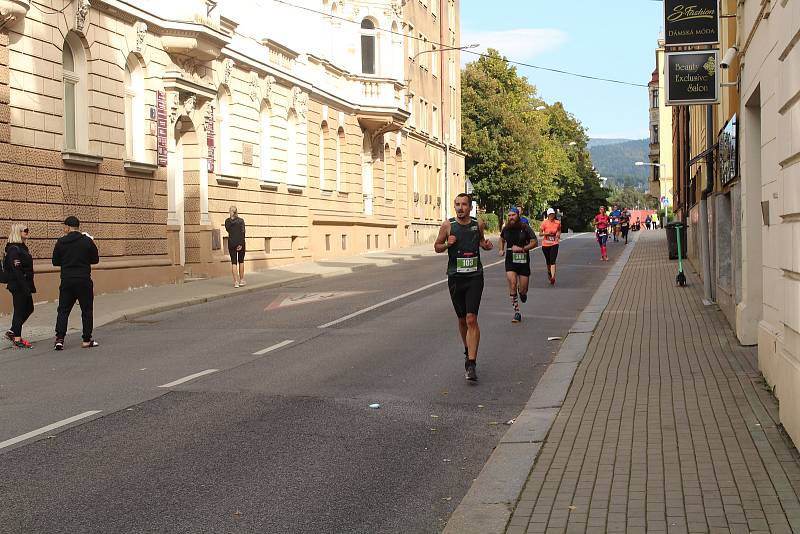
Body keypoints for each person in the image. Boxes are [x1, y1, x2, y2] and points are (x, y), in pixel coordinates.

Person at [434, 193, 494, 381]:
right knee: (461, 320)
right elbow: (437, 246)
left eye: (464, 205)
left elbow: (482, 241)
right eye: (457, 204)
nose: (460, 208)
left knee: (471, 318)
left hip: (475, 276)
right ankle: (468, 349)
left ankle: (472, 363)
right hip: (455, 278)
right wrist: (446, 245)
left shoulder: (478, 224)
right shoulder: (448, 225)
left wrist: (486, 245)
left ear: (470, 207)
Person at [53, 216, 100, 350]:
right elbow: (95, 259)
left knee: (63, 310)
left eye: (64, 226)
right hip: (83, 280)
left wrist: (67, 260)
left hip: (67, 280)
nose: (63, 229)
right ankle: (86, 340)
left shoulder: (61, 242)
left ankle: (59, 339)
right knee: (86, 310)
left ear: (68, 227)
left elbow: (55, 261)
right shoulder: (87, 241)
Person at [499, 208, 537, 323]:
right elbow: (501, 239)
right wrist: (501, 249)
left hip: (523, 261)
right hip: (510, 260)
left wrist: (522, 249)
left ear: (518, 215)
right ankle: (516, 312)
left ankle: (523, 293)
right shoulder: (506, 229)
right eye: (509, 215)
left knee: (523, 290)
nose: (511, 217)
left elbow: (535, 242)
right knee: (513, 283)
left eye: (513, 215)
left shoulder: (525, 227)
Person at [4, 223, 36, 348]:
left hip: (24, 284)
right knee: (19, 310)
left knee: (29, 308)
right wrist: (24, 286)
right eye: (25, 230)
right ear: (18, 232)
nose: (27, 232)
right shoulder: (13, 249)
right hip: (18, 285)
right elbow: (16, 270)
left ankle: (12, 331)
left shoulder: (22, 248)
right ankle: (17, 339)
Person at [224, 205, 246, 288]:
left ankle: (236, 282)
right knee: (241, 261)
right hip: (240, 242)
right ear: (236, 212)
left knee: (233, 262)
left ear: (230, 212)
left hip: (231, 243)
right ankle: (242, 280)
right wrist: (240, 244)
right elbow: (243, 232)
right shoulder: (241, 221)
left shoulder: (227, 221)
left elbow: (228, 230)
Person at [539, 207, 562, 285]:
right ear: (548, 215)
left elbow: (559, 230)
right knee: (548, 261)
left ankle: (553, 277)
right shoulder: (544, 223)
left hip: (554, 243)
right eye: (550, 214)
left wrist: (558, 234)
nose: (552, 216)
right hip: (545, 244)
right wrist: (547, 234)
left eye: (553, 214)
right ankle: (549, 271)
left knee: (553, 260)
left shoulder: (557, 222)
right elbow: (540, 234)